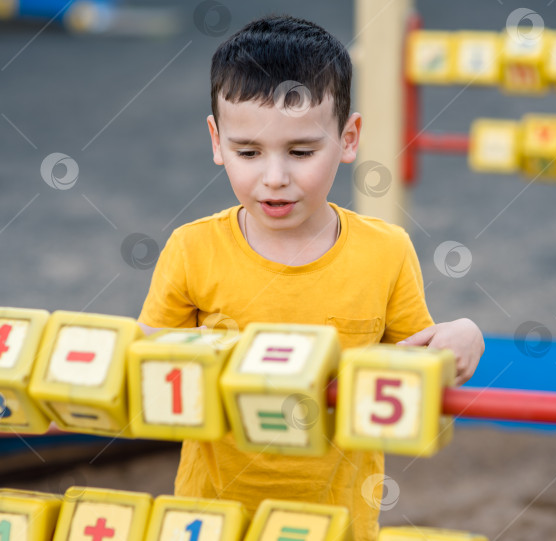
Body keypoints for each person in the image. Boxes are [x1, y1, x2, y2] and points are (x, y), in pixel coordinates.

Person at [139, 14, 485, 541]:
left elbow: (417, 364)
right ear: (216, 141)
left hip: (337, 524)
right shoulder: (192, 249)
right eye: (248, 152)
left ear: (349, 139)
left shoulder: (386, 251)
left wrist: (464, 332)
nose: (274, 178)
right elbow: (148, 361)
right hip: (209, 521)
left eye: (301, 152)